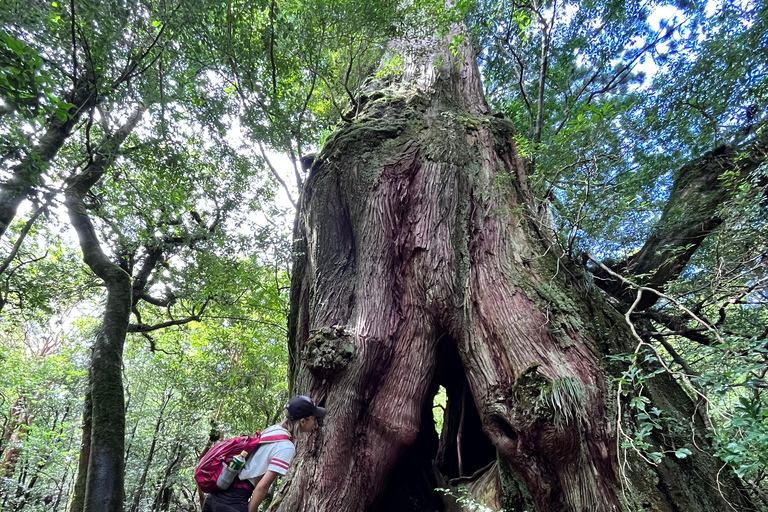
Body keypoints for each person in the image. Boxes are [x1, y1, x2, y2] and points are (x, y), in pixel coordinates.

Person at [202, 396, 326, 512]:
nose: (315, 422)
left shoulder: (271, 430)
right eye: (314, 418)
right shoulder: (286, 447)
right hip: (233, 502)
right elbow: (262, 487)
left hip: (214, 495)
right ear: (303, 422)